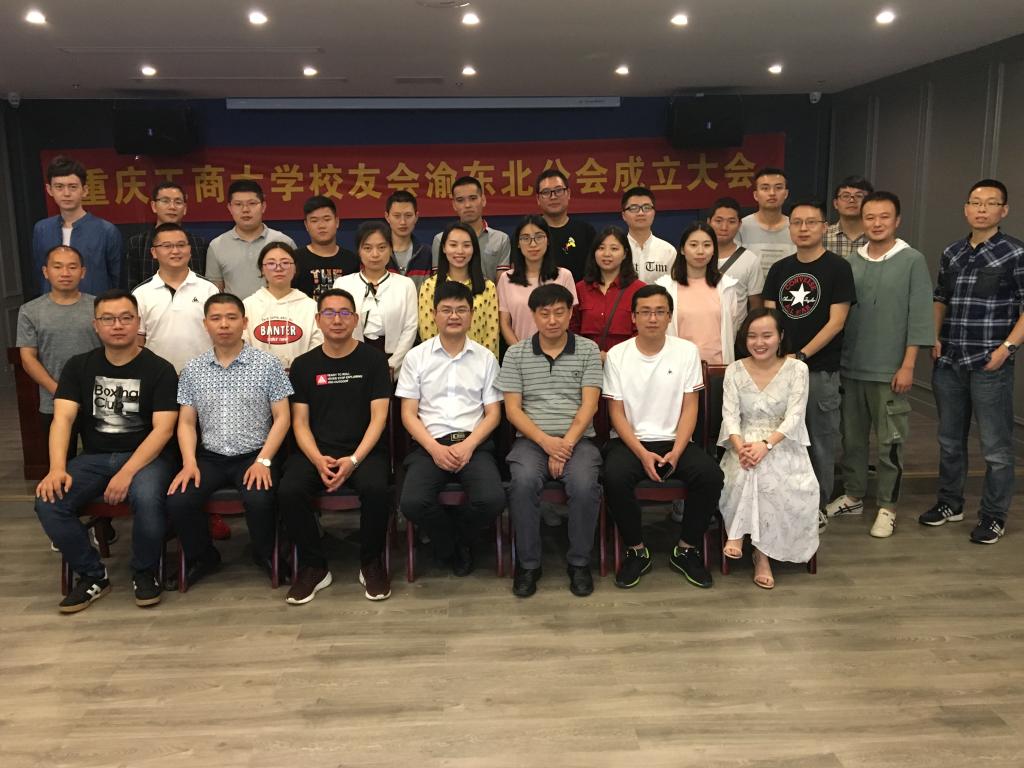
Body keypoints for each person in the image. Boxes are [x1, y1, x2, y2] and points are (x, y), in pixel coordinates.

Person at [35, 289, 178, 613]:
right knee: (49, 501)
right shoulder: (78, 366)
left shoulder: (159, 369)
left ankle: (144, 571)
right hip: (93, 458)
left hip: (147, 458)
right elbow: (63, 419)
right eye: (108, 319)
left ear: (138, 322)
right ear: (96, 325)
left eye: (126, 318)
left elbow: (163, 430)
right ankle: (92, 575)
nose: (118, 325)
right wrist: (57, 468)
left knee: (147, 497)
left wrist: (127, 472)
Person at [166, 293, 293, 588]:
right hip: (210, 457)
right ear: (206, 324)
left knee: (260, 499)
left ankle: (265, 553)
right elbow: (186, 422)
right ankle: (203, 556)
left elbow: (282, 418)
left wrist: (264, 461)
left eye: (232, 317)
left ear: (244, 322)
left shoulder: (267, 364)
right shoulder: (193, 369)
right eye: (216, 318)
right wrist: (188, 462)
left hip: (255, 454)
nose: (224, 324)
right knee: (179, 500)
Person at [602, 284, 724, 590]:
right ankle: (635, 550)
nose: (653, 318)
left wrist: (678, 451)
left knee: (710, 475)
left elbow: (690, 407)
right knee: (614, 476)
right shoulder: (618, 355)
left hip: (676, 440)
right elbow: (616, 413)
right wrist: (642, 453)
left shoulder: (686, 351)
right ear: (633, 317)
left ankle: (686, 549)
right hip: (630, 441)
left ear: (670, 316)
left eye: (660, 311)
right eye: (645, 312)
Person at [922, 179, 1024, 544]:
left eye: (991, 203)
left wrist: (1006, 349)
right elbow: (940, 298)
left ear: (1003, 210)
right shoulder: (952, 252)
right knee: (950, 440)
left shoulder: (1015, 253)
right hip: (949, 360)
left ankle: (994, 516)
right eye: (975, 202)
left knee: (996, 448)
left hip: (989, 363)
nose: (982, 209)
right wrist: (934, 336)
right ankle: (950, 503)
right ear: (966, 209)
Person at [826, 191, 933, 537]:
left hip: (891, 371)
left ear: (897, 220)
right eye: (870, 217)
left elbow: (920, 315)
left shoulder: (912, 260)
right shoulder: (850, 263)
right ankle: (854, 494)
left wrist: (908, 365)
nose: (876, 223)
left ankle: (888, 506)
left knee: (890, 443)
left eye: (884, 217)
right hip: (851, 368)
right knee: (853, 440)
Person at [279, 288, 393, 604]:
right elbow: (299, 422)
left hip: (364, 451)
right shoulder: (303, 365)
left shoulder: (374, 361)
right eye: (329, 313)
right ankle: (314, 566)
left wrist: (354, 460)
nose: (337, 320)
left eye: (344, 313)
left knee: (376, 488)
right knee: (289, 490)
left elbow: (379, 417)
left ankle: (371, 562)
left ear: (355, 319)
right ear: (318, 320)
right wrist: (317, 459)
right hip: (316, 452)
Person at [498, 284, 603, 598]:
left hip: (578, 441)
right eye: (544, 313)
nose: (552, 320)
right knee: (522, 482)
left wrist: (564, 445)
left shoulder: (587, 350)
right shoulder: (516, 354)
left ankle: (579, 562)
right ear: (533, 315)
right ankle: (528, 564)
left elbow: (590, 406)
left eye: (559, 312)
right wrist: (546, 443)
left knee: (585, 485)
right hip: (532, 441)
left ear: (571, 313)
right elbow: (513, 411)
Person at [396, 280, 506, 576]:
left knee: (493, 499)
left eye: (461, 310)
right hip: (429, 444)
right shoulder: (416, 357)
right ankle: (453, 545)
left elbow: (493, 414)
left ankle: (453, 541)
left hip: (474, 444)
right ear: (434, 314)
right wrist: (434, 448)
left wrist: (468, 446)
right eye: (446, 310)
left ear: (471, 315)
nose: (454, 316)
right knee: (412, 503)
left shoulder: (486, 358)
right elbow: (408, 414)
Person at [762, 198, 856, 521]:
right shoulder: (779, 269)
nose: (803, 229)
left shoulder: (838, 268)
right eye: (797, 223)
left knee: (819, 441)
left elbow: (837, 322)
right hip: (779, 370)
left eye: (811, 222)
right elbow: (770, 319)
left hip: (819, 372)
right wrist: (775, 358)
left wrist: (801, 356)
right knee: (780, 439)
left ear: (824, 227)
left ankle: (816, 508)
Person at [718, 309, 819, 589]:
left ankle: (748, 544)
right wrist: (740, 447)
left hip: (783, 442)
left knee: (764, 471)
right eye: (752, 336)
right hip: (743, 441)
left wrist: (766, 445)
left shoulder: (797, 369)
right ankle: (758, 553)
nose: (759, 342)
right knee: (749, 468)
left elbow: (795, 416)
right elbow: (730, 416)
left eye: (767, 335)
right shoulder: (734, 370)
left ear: (781, 336)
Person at [18, 245, 100, 458]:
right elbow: (28, 358)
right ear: (46, 272)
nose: (65, 273)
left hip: (98, 399)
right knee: (60, 461)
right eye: (57, 267)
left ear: (83, 272)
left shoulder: (99, 306)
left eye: (72, 267)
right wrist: (60, 391)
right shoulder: (30, 311)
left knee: (101, 459)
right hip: (53, 400)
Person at [333, 221, 418, 377]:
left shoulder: (405, 284)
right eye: (367, 248)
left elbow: (410, 328)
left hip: (395, 362)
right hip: (352, 358)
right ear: (359, 251)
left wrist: (392, 365)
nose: (375, 254)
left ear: (391, 249)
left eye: (382, 247)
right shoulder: (343, 284)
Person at [133, 222, 220, 373]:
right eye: (167, 246)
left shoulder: (209, 289)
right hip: (156, 375)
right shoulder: (140, 293)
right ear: (154, 252)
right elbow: (137, 342)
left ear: (190, 250)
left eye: (181, 245)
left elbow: (220, 336)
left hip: (204, 375)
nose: (175, 251)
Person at [656, 221, 744, 365]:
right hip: (678, 368)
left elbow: (732, 330)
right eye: (693, 245)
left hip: (718, 368)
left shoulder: (727, 286)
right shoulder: (665, 287)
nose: (700, 251)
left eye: (707, 245)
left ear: (714, 250)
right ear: (682, 249)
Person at [32, 155, 122, 295]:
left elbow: (117, 279)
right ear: (49, 190)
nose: (66, 193)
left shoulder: (106, 231)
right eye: (59, 187)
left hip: (94, 305)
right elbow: (40, 274)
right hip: (52, 306)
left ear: (84, 190)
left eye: (73, 187)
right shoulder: (42, 229)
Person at [418, 222, 500, 357]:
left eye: (466, 245)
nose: (460, 251)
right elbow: (427, 333)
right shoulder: (429, 286)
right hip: (438, 363)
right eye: (453, 245)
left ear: (474, 249)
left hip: (478, 363)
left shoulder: (488, 287)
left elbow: (491, 335)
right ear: (443, 248)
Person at [206, 180, 296, 299]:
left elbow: (295, 284)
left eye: (252, 203)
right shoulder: (217, 245)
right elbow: (215, 291)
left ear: (263, 206)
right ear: (230, 208)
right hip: (235, 310)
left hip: (279, 309)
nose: (245, 210)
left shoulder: (284, 242)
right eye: (238, 204)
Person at [497, 215, 578, 347]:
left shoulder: (564, 276)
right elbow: (504, 323)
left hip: (558, 351)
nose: (533, 244)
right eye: (525, 238)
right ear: (518, 243)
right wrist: (520, 353)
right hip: (520, 352)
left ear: (548, 240)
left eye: (539, 237)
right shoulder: (506, 279)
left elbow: (569, 320)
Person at [243, 242, 323, 371]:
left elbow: (318, 345)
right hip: (258, 378)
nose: (278, 268)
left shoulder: (311, 306)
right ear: (262, 269)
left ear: (295, 268)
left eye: (285, 263)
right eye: (271, 263)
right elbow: (242, 346)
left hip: (301, 377)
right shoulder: (248, 305)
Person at [570, 226, 646, 358]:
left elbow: (642, 330)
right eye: (601, 248)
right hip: (588, 361)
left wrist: (614, 356)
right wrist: (591, 355)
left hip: (626, 361)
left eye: (614, 249)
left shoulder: (639, 289)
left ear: (625, 254)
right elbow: (572, 328)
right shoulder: (580, 289)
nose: (607, 254)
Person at [124, 181, 208, 288]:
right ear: (154, 206)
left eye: (178, 202)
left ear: (185, 208)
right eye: (165, 201)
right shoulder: (137, 243)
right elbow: (132, 287)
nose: (172, 207)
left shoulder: (199, 244)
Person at [430, 176, 511, 283]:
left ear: (483, 200)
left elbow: (502, 284)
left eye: (473, 198)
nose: (467, 205)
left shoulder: (500, 239)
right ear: (454, 205)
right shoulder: (441, 240)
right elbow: (439, 281)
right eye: (460, 200)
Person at [709, 196, 764, 322]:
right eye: (718, 221)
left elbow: (755, 306)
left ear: (739, 225)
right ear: (709, 222)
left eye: (731, 221)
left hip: (736, 332)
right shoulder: (696, 256)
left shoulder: (750, 259)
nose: (724, 227)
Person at [293, 195, 359, 300]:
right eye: (314, 221)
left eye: (327, 219)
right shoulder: (294, 260)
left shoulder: (352, 260)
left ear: (337, 222)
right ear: (306, 225)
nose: (321, 226)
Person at [536, 168, 596, 281]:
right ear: (538, 199)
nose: (553, 197)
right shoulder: (529, 233)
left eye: (558, 190)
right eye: (546, 192)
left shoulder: (586, 231)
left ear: (568, 193)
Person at [737, 167, 796, 279]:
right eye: (765, 188)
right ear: (755, 195)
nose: (772, 193)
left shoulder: (796, 227)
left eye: (778, 188)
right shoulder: (742, 227)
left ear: (786, 193)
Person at [620, 186, 676, 283]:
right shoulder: (617, 250)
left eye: (646, 208)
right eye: (634, 208)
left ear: (654, 213)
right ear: (624, 215)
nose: (641, 213)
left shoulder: (668, 251)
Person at [385, 190, 433, 291]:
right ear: (387, 217)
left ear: (416, 217)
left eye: (408, 216)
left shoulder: (427, 254)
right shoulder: (377, 253)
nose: (403, 222)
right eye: (397, 216)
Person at [824, 176, 874, 259]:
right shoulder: (822, 237)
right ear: (836, 204)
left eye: (859, 196)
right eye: (845, 196)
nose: (852, 200)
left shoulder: (876, 236)